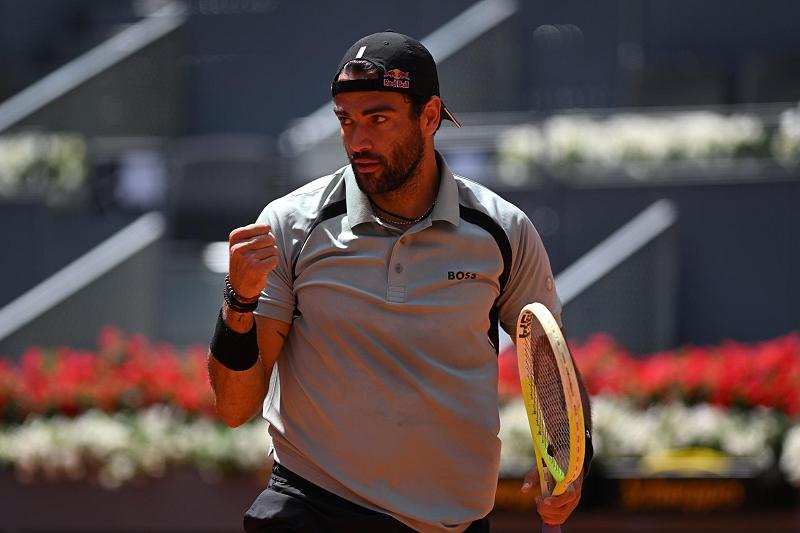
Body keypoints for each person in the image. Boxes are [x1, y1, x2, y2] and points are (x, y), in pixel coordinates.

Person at [207, 31, 592, 533]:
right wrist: (239, 299)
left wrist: (571, 466)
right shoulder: (289, 227)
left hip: (454, 522)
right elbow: (236, 408)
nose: (357, 141)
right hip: (316, 510)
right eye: (346, 120)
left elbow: (552, 361)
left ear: (430, 116)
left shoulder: (504, 230)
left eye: (378, 119)